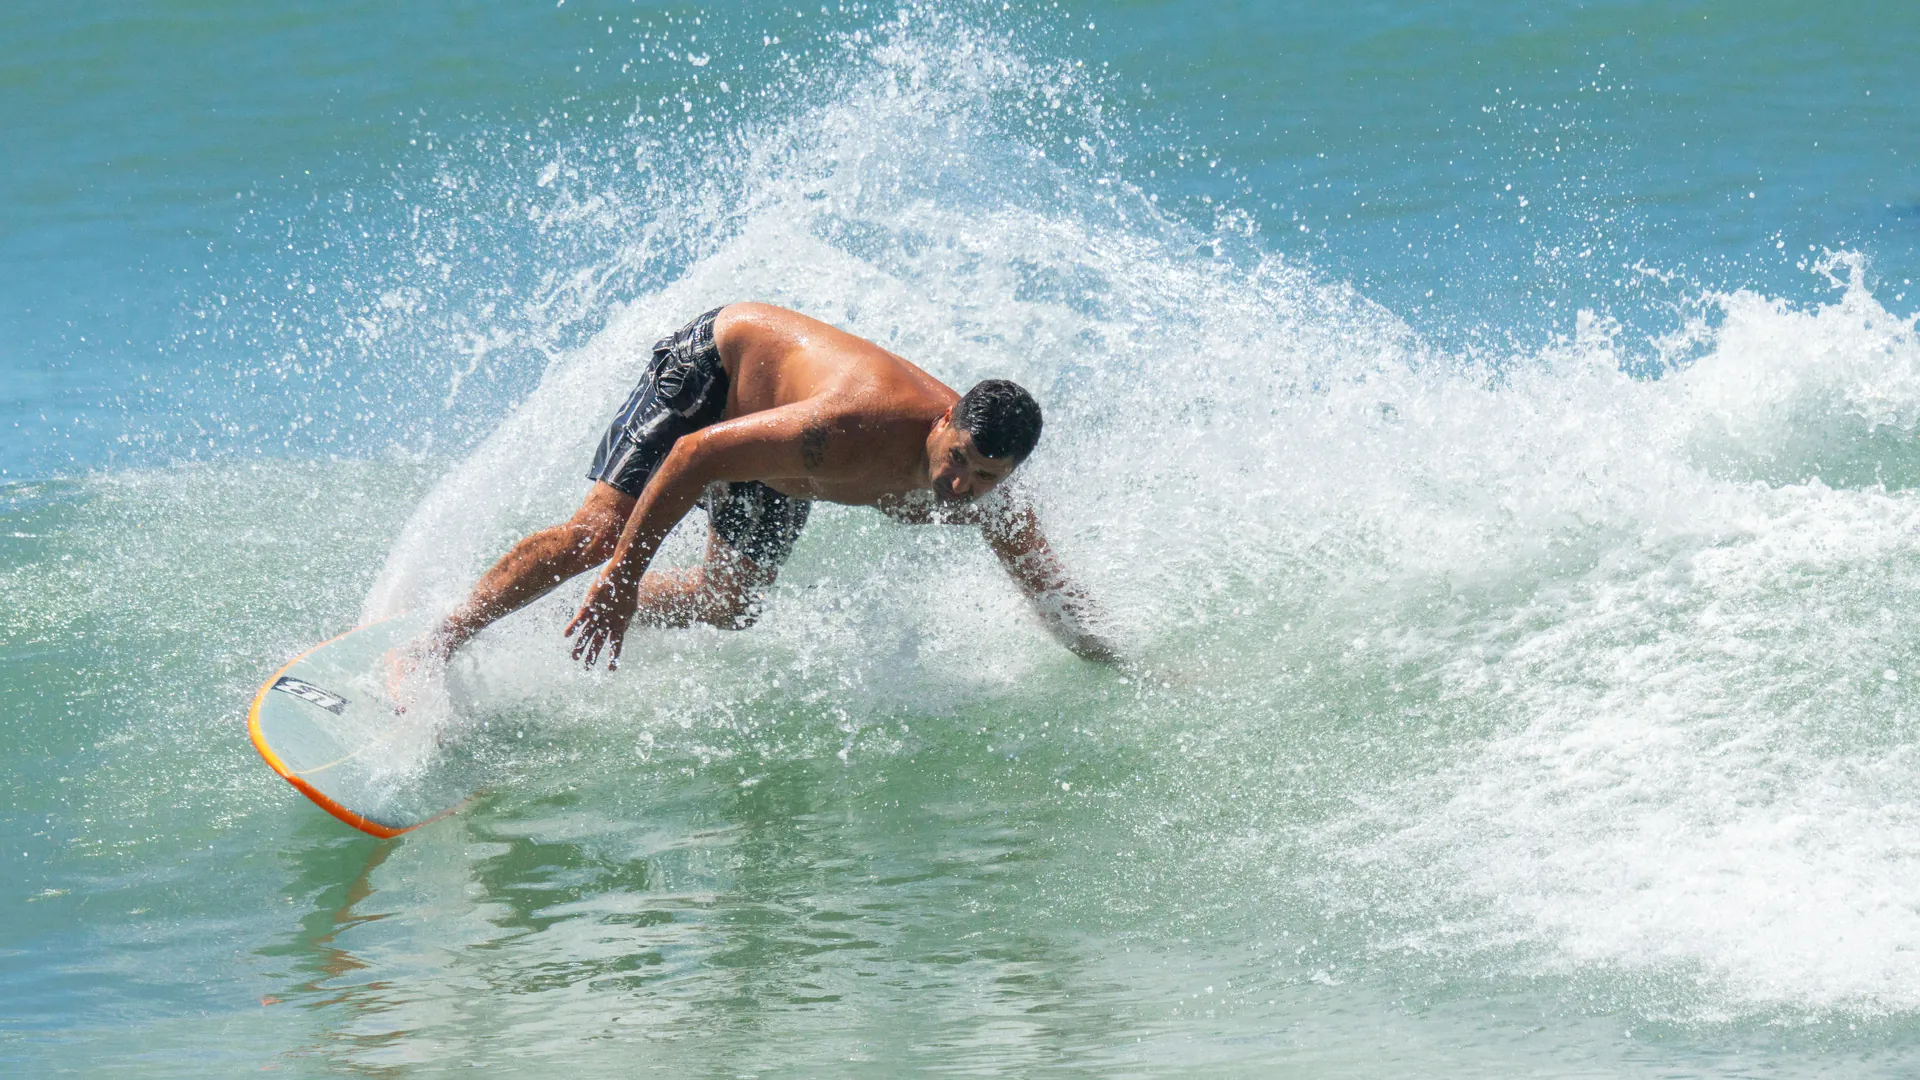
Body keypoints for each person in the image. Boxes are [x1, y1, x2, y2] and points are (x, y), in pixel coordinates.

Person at [410, 302, 1117, 675]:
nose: (960, 485)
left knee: (730, 602)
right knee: (597, 537)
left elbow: (1048, 587)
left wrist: (1118, 663)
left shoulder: (990, 501)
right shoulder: (850, 428)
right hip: (718, 376)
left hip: (774, 457)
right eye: (958, 458)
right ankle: (429, 645)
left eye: (986, 478)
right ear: (945, 419)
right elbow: (693, 456)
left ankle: (542, 613)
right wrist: (624, 576)